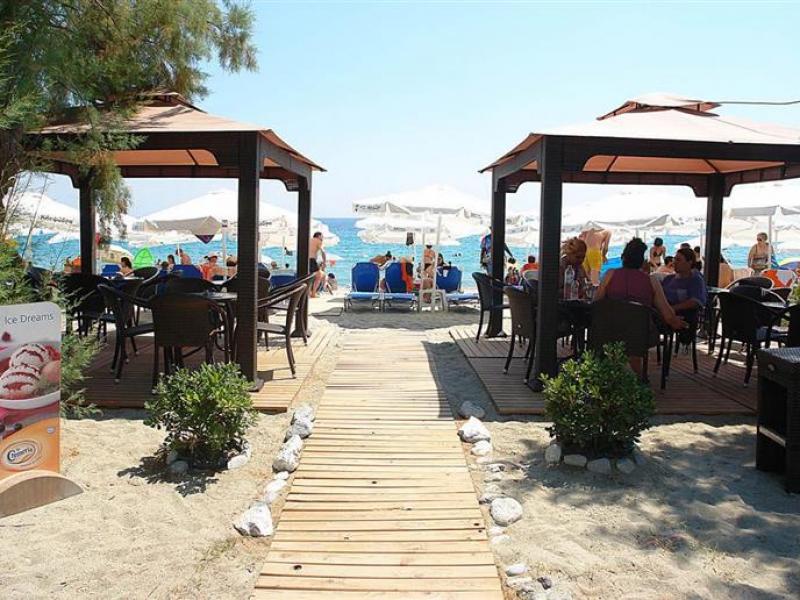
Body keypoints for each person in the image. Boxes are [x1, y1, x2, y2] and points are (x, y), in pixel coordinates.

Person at [595, 238, 685, 375]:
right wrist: (678, 322)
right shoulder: (651, 280)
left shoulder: (610, 275)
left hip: (609, 332)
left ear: (623, 257)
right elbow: (667, 315)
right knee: (637, 333)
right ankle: (639, 378)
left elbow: (596, 303)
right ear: (642, 261)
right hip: (640, 335)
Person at [661, 247, 708, 312]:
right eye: (674, 259)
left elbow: (696, 301)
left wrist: (670, 309)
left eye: (678, 260)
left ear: (689, 262)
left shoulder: (695, 280)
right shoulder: (668, 279)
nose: (674, 262)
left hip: (684, 315)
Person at [309, 231, 326, 298]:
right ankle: (313, 293)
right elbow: (323, 252)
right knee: (320, 275)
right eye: (322, 236)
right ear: (319, 236)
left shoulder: (309, 240)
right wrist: (324, 262)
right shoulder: (318, 241)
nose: (323, 238)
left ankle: (308, 293)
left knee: (309, 277)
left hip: (305, 260)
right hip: (311, 260)